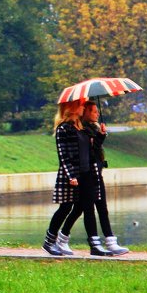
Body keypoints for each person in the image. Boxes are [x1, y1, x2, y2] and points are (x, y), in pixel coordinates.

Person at [43, 100, 113, 257]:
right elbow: (63, 155)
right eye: (81, 105)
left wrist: (101, 136)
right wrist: (71, 176)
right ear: (73, 108)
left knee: (80, 207)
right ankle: (49, 241)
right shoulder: (63, 129)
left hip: (84, 175)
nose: (83, 108)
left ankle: (70, 241)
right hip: (71, 176)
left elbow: (90, 151)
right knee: (65, 208)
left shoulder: (80, 128)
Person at [83, 101, 129, 255]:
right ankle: (94, 244)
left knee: (102, 208)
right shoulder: (83, 129)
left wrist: (101, 134)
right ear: (86, 112)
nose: (97, 113)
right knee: (88, 209)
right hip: (87, 174)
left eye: (97, 111)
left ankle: (110, 241)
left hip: (97, 172)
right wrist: (100, 137)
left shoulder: (93, 128)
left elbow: (96, 149)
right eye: (94, 111)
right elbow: (90, 150)